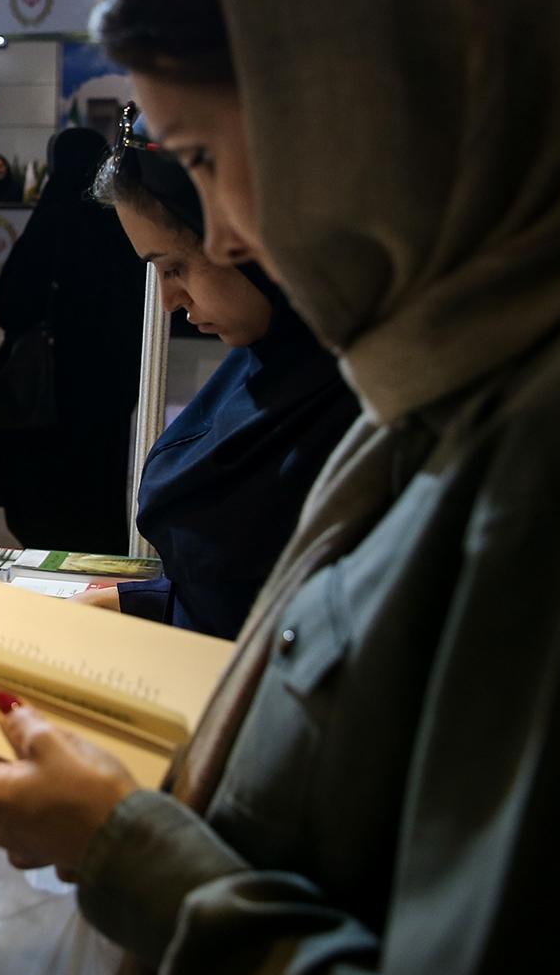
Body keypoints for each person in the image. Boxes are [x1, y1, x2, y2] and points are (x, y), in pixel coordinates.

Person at [0, 0, 560, 975]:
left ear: (385, 102)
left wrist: (116, 846)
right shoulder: (451, 368)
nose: (226, 234)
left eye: (210, 157)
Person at [76, 107, 358, 637]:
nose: (168, 300)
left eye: (176, 267)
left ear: (250, 239)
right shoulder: (271, 359)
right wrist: (135, 601)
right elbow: (230, 593)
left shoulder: (363, 407)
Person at [0, 125, 143, 553]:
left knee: (44, 505)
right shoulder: (123, 226)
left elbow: (10, 304)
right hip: (105, 395)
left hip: (48, 397)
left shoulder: (49, 223)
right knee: (95, 500)